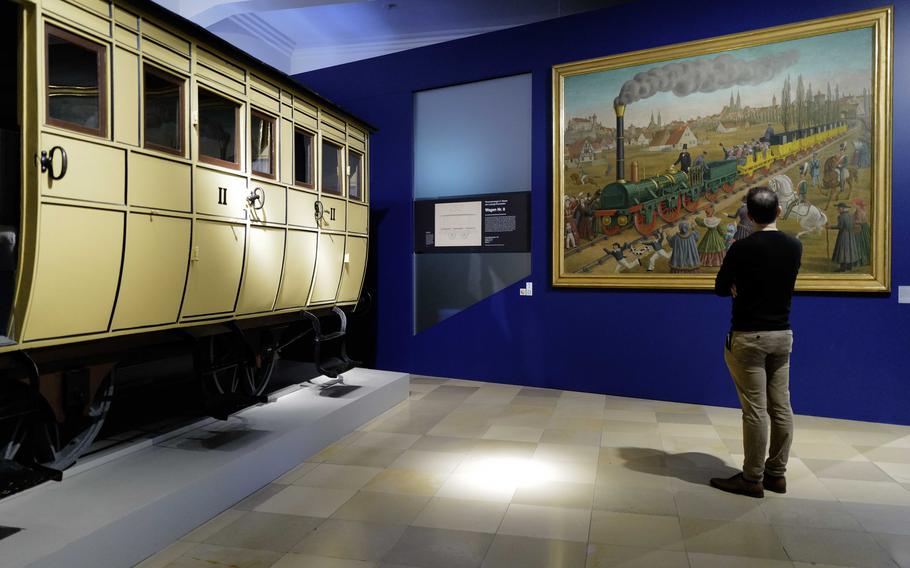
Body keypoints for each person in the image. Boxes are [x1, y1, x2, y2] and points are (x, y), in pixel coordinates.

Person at [711, 186, 802, 498]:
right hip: (782, 335)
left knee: (755, 411)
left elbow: (721, 287)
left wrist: (737, 284)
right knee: (781, 406)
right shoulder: (795, 246)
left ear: (749, 216)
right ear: (779, 212)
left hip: (749, 335)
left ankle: (751, 479)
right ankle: (776, 474)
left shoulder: (741, 248)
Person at [829, 202, 859, 272]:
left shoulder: (841, 216)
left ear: (842, 209)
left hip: (843, 235)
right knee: (850, 249)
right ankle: (849, 267)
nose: (837, 210)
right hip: (851, 235)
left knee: (843, 250)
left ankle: (843, 268)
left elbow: (840, 226)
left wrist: (830, 227)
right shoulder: (851, 215)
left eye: (838, 208)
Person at [853, 198, 871, 267]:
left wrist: (853, 222)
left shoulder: (858, 211)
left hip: (860, 228)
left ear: (858, 205)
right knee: (865, 244)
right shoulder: (863, 210)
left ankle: (861, 261)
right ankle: (866, 260)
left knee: (860, 244)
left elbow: (859, 221)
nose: (854, 205)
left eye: (855, 204)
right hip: (865, 227)